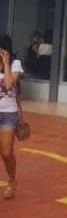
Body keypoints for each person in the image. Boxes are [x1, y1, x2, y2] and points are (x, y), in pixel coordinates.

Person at [0, 33, 22, 199]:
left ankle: (12, 180)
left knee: (6, 152)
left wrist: (6, 63)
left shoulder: (15, 64)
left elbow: (8, 84)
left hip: (8, 114)